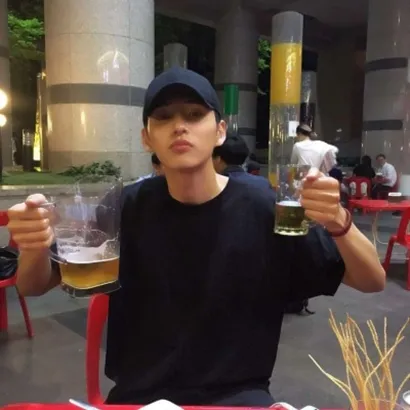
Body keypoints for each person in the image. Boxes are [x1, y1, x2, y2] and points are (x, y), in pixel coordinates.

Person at [7, 67, 385, 407]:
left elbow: (372, 279)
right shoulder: (124, 205)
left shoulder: (262, 206)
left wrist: (338, 219)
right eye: (163, 116)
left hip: (238, 395)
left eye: (194, 114)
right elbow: (33, 285)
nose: (179, 126)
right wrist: (35, 245)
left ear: (220, 131)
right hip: (140, 395)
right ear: (147, 138)